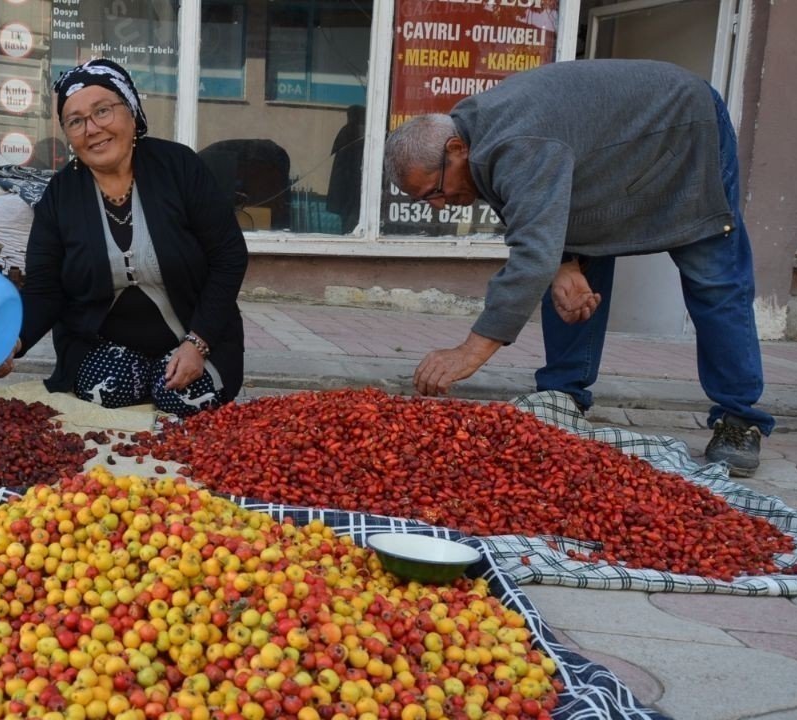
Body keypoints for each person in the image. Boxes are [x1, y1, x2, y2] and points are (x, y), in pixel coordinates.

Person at [382, 59, 772, 476]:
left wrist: (470, 351)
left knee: (713, 277)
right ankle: (563, 393)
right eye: (426, 200)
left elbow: (533, 255)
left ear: (455, 150)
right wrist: (565, 264)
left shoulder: (516, 142)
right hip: (604, 158)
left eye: (435, 191)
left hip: (682, 129)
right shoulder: (472, 134)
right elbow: (531, 217)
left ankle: (740, 418)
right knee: (566, 273)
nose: (438, 205)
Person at [0, 58, 248, 417]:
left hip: (194, 337)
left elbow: (229, 256)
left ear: (131, 111)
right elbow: (45, 290)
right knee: (104, 388)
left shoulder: (179, 168)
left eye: (103, 111)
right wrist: (13, 342)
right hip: (106, 349)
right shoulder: (61, 197)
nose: (92, 129)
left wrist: (198, 343)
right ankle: (144, 377)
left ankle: (173, 369)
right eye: (75, 121)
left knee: (184, 398)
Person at [327, 105, 365, 233]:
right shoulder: (353, 131)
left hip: (347, 187)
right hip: (350, 187)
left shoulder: (348, 131)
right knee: (350, 220)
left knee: (349, 221)